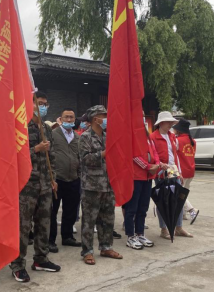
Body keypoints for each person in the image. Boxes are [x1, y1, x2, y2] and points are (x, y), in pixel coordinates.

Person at [10, 91, 61, 283]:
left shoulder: (46, 128)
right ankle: (17, 265)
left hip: (45, 184)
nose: (42, 107)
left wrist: (53, 178)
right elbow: (15, 156)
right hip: (27, 185)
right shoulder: (21, 127)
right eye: (39, 103)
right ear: (29, 104)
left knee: (44, 223)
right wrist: (35, 149)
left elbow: (52, 156)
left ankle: (41, 259)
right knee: (23, 227)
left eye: (45, 104)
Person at [78, 105, 123, 265]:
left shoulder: (108, 136)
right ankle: (87, 251)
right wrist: (104, 153)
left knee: (108, 218)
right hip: (92, 185)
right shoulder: (85, 137)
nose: (105, 118)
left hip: (108, 184)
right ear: (94, 118)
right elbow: (85, 159)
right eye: (103, 115)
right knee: (89, 220)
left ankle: (106, 247)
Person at [150, 111, 193, 239]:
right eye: (168, 122)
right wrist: (160, 164)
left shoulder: (172, 136)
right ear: (161, 123)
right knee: (163, 201)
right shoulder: (153, 137)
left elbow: (175, 156)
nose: (170, 124)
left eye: (171, 122)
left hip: (172, 170)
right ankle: (164, 229)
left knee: (178, 199)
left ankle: (178, 227)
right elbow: (152, 156)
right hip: (161, 172)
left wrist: (179, 172)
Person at [49, 107, 81, 253]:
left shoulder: (77, 137)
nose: (69, 119)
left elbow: (79, 156)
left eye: (71, 117)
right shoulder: (53, 134)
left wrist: (78, 174)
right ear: (61, 119)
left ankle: (67, 236)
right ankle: (50, 240)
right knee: (52, 211)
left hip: (73, 178)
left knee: (70, 209)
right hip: (57, 179)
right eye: (66, 117)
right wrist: (51, 176)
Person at [124, 119, 160, 250]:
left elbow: (155, 153)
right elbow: (133, 156)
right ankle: (130, 236)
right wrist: (148, 167)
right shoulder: (132, 138)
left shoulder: (148, 138)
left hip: (148, 178)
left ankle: (140, 234)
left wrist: (157, 164)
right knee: (132, 208)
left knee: (143, 207)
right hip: (136, 177)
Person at [173, 118, 199, 223]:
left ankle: (192, 210)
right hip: (191, 169)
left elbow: (173, 155)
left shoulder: (177, 141)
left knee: (179, 193)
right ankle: (183, 214)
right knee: (184, 192)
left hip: (181, 170)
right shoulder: (193, 141)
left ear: (178, 130)